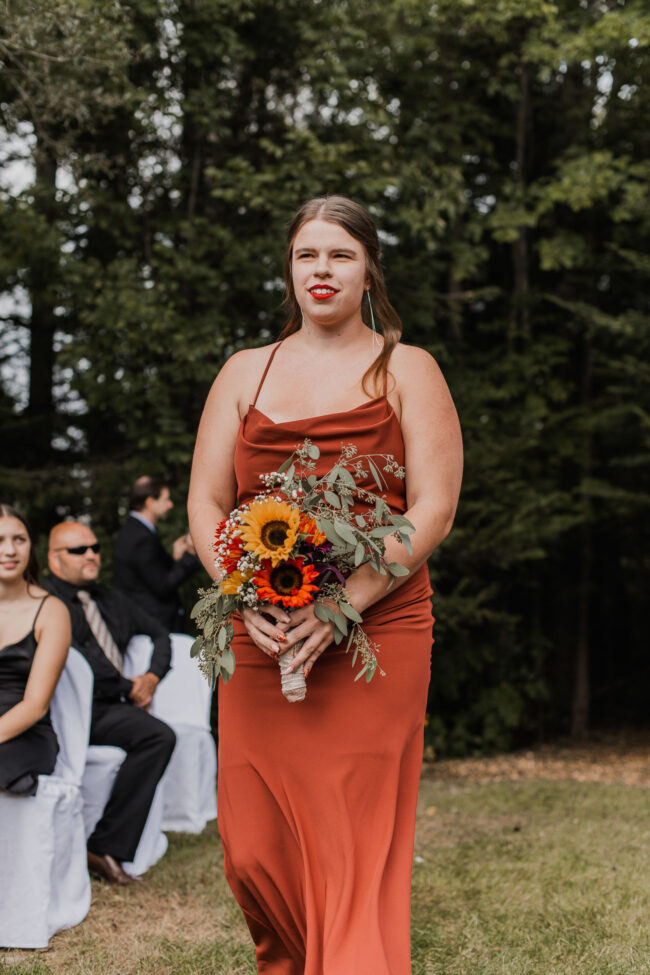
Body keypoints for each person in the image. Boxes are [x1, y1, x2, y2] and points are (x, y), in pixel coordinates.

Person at [187, 195, 463, 974]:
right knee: (252, 849)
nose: (323, 270)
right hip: (265, 626)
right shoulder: (245, 371)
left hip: (380, 625)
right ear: (288, 268)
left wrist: (346, 601)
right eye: (308, 255)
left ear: (369, 267)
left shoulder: (407, 369)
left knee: (350, 838)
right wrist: (245, 591)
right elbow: (208, 501)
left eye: (340, 255)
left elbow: (434, 506)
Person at [43, 521, 176, 886]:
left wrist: (151, 678)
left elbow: (159, 633)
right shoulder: (46, 601)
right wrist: (127, 687)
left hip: (108, 706)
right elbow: (80, 658)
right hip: (66, 710)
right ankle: (103, 847)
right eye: (78, 550)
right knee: (155, 735)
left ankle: (104, 846)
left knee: (158, 736)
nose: (91, 555)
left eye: (95, 547)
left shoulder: (109, 598)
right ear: (54, 559)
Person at [0, 505, 70, 796]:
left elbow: (35, 705)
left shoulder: (51, 611)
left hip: (25, 732)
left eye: (19, 539)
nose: (10, 551)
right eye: (0, 541)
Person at [113, 476, 200, 631]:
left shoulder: (134, 530)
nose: (170, 505)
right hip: (155, 626)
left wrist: (175, 560)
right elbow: (162, 587)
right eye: (165, 499)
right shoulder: (141, 538)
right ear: (150, 502)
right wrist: (190, 555)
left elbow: (149, 577)